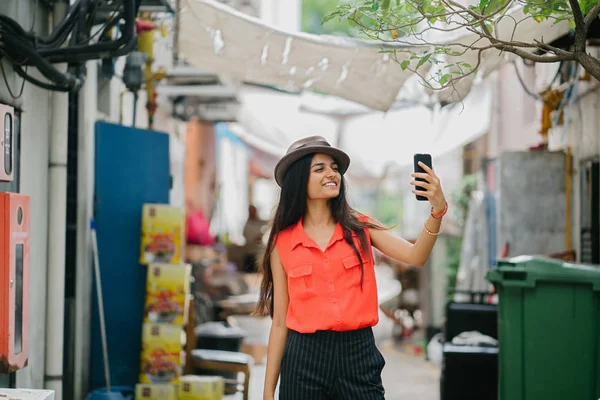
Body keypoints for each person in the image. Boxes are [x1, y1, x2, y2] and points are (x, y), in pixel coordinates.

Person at [254, 136, 448, 400]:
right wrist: (267, 393)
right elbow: (279, 324)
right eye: (319, 168)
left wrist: (437, 211)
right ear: (299, 179)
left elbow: (416, 255)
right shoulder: (283, 242)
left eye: (334, 167)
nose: (331, 173)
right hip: (303, 357)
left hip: (357, 354)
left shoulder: (360, 227)